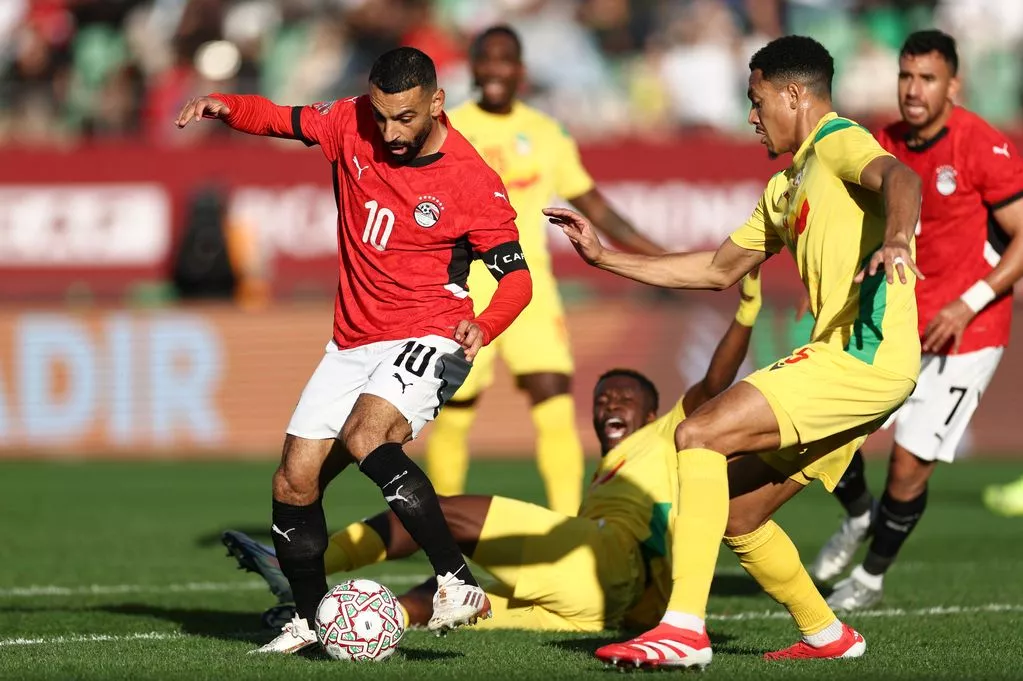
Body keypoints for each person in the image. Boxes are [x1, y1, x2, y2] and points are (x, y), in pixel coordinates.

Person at [546, 35, 923, 668]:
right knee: (739, 512)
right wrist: (607, 258)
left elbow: (900, 176)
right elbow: (719, 269)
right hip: (853, 365)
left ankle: (684, 630)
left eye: (757, 100)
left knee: (698, 435)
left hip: (863, 356)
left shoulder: (836, 142)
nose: (751, 116)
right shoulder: (787, 186)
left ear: (793, 94)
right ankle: (828, 635)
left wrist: (900, 241)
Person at [175, 47, 534, 654]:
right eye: (382, 115)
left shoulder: (472, 179)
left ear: (436, 104)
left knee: (369, 436)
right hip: (352, 340)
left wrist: (487, 325)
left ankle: (456, 581)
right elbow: (279, 119)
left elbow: (517, 280)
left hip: (432, 331)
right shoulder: (349, 121)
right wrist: (225, 106)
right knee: (294, 479)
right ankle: (309, 620)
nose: (390, 132)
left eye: (405, 119)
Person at [222, 271, 764, 632]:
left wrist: (744, 310)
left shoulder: (671, 435)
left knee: (447, 514)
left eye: (624, 398)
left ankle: (304, 560)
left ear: (652, 412)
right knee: (436, 601)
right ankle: (339, 624)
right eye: (601, 400)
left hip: (609, 563)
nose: (609, 406)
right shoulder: (609, 476)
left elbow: (715, 381)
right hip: (603, 607)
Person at [810, 31, 1023, 604]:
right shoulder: (883, 141)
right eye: (906, 76)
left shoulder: (984, 145)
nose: (912, 89)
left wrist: (967, 303)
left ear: (953, 85)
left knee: (908, 465)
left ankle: (870, 577)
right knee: (830, 431)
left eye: (926, 78)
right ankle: (857, 516)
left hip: (968, 331)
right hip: (897, 321)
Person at [425, 25, 664, 515]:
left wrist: (659, 257)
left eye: (505, 59)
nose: (495, 69)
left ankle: (568, 524)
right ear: (472, 67)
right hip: (465, 292)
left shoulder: (547, 133)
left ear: (521, 71)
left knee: (554, 407)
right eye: (486, 59)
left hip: (529, 290)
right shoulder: (449, 128)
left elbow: (597, 208)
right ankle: (439, 522)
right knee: (455, 411)